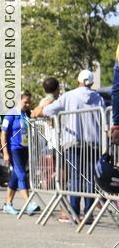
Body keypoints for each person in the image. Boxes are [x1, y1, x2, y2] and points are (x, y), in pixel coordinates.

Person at [43, 69, 105, 223]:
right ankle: (89, 214)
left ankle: (74, 213)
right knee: (90, 179)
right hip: (93, 144)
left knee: (75, 177)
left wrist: (41, 109)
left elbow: (48, 110)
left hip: (73, 143)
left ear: (78, 81)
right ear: (91, 82)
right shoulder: (98, 97)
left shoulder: (69, 96)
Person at [1, 91, 40, 215]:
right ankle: (28, 204)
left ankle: (8, 204)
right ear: (19, 100)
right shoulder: (11, 114)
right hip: (14, 149)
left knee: (15, 176)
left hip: (25, 149)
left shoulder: (26, 114)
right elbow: (3, 134)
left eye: (29, 102)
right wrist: (5, 152)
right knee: (22, 175)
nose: (28, 104)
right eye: (25, 102)